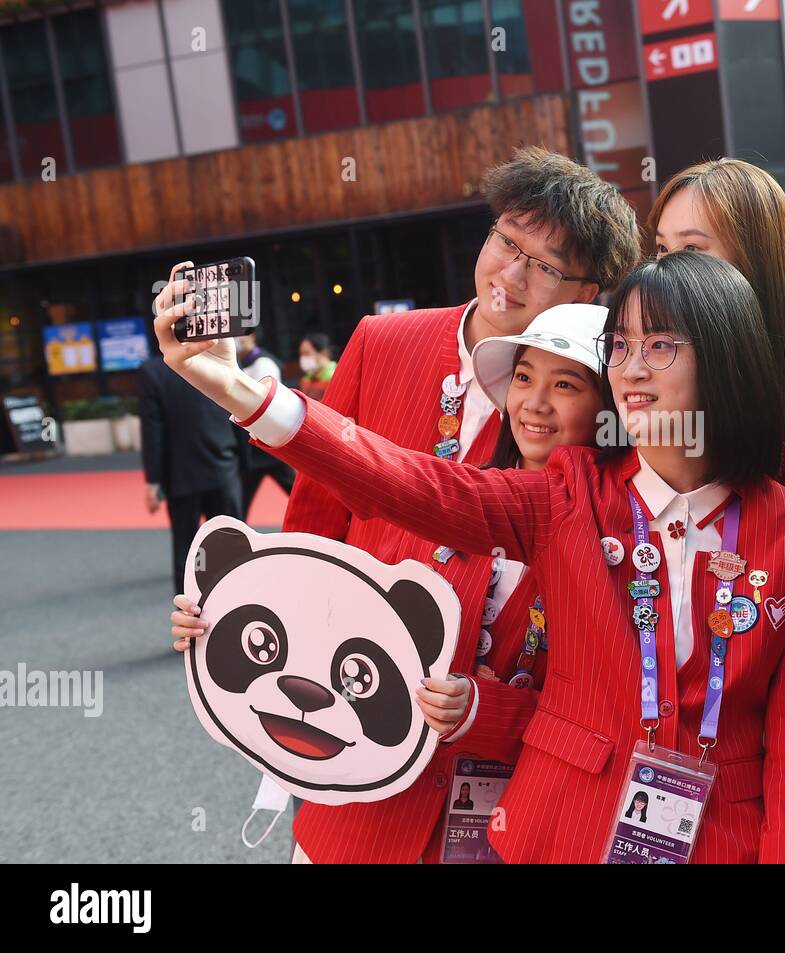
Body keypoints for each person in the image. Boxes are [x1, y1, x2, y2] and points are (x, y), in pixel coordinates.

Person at [154, 251, 785, 864]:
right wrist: (239, 391)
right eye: (620, 345)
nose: (629, 367)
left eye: (659, 345)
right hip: (556, 833)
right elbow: (403, 481)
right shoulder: (568, 493)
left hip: (721, 840)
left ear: (725, 355)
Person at [165, 146, 641, 864]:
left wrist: (491, 710)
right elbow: (312, 538)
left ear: (591, 291)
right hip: (357, 760)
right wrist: (229, 604)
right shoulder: (385, 342)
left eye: (545, 265)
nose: (511, 273)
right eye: (506, 242)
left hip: (506, 788)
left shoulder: (595, 411)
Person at [646, 157, 785, 498]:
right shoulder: (638, 370)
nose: (669, 267)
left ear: (753, 259)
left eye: (691, 248)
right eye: (662, 248)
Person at [138, 354, 242, 594]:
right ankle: (238, 598)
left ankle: (189, 616)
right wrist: (241, 460)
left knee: (187, 548)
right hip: (223, 465)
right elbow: (237, 408)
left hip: (180, 474)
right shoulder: (217, 358)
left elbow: (152, 428)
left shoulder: (153, 371)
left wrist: (153, 481)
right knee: (233, 541)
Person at [233, 328, 296, 513]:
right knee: (242, 499)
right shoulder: (242, 363)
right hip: (255, 444)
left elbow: (266, 403)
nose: (235, 340)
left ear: (252, 335)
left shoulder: (264, 363)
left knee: (294, 491)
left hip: (268, 440)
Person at [297, 332, 336, 402]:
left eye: (306, 353)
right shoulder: (306, 378)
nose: (302, 358)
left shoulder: (335, 376)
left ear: (324, 353)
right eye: (301, 354)